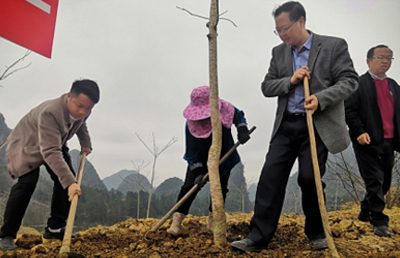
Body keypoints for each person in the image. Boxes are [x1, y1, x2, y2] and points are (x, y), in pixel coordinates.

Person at [231, 1, 358, 252]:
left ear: (301, 21)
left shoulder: (333, 45)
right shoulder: (279, 52)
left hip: (316, 125)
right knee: (270, 178)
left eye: (285, 28)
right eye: (277, 30)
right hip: (286, 126)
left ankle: (317, 232)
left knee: (310, 178)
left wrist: (321, 98)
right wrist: (290, 80)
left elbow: (350, 81)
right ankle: (257, 237)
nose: (282, 34)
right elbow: (267, 86)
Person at [0, 79, 100, 252]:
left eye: (88, 108)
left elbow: (81, 123)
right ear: (69, 96)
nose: (83, 111)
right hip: (27, 143)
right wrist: (70, 183)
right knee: (27, 183)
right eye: (80, 106)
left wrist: (85, 142)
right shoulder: (50, 113)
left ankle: (54, 228)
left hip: (54, 141)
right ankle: (6, 235)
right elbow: (51, 152)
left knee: (67, 176)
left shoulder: (84, 110)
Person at [166, 85, 250, 236]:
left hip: (224, 157)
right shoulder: (191, 125)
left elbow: (239, 116)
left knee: (220, 189)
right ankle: (176, 223)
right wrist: (198, 171)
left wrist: (242, 129)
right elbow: (191, 152)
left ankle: (213, 223)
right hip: (199, 160)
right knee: (189, 188)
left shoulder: (225, 109)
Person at [345, 45, 398, 238]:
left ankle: (365, 208)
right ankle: (379, 220)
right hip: (367, 142)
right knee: (374, 180)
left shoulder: (393, 85)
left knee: (384, 183)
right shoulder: (358, 84)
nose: (385, 61)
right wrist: (359, 131)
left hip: (389, 142)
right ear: (368, 61)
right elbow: (349, 110)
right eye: (381, 57)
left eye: (389, 58)